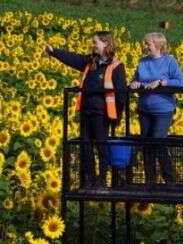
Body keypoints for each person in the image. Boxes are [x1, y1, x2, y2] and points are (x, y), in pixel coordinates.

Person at [44, 31, 127, 189]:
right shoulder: (90, 62)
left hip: (102, 114)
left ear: (106, 44)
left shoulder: (116, 66)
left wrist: (117, 116)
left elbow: (121, 94)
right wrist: (54, 52)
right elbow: (72, 58)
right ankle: (88, 180)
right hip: (86, 111)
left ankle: (102, 181)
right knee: (85, 146)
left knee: (101, 147)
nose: (93, 45)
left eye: (96, 42)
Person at [129, 32, 183, 187]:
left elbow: (181, 82)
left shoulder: (169, 61)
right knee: (147, 144)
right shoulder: (142, 62)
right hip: (144, 109)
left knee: (159, 142)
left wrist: (161, 82)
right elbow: (135, 80)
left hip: (163, 110)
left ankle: (170, 181)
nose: (145, 46)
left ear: (159, 46)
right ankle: (150, 181)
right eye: (145, 43)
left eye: (148, 44)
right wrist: (134, 83)